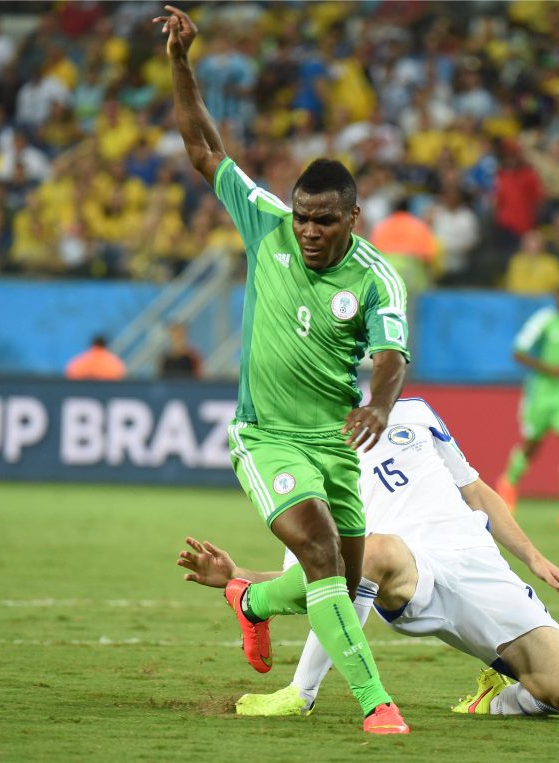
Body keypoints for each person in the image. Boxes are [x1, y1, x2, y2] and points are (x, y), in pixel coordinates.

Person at [157, 5, 411, 735]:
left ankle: (248, 598)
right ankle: (376, 703)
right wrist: (181, 62)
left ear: (352, 218)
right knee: (324, 553)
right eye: (302, 216)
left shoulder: (374, 279)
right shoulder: (265, 222)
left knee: (337, 578)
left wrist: (381, 406)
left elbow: (392, 355)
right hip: (265, 435)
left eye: (324, 220)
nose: (307, 230)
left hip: (334, 442)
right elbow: (204, 148)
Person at [178, 397, 559, 719]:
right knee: (377, 549)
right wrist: (240, 574)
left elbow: (476, 491)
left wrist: (536, 559)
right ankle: (299, 693)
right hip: (407, 571)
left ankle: (496, 700)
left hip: (476, 561)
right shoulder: (303, 456)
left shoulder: (415, 412)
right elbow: (320, 575)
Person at [497, 282, 559, 531]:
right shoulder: (544, 320)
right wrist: (549, 369)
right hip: (540, 393)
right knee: (532, 446)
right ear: (556, 296)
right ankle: (509, 482)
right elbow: (518, 352)